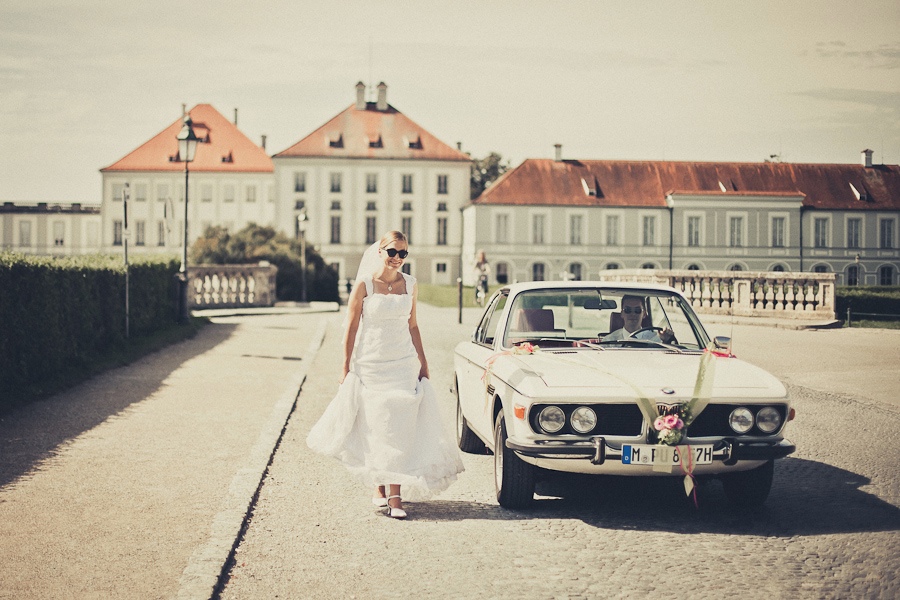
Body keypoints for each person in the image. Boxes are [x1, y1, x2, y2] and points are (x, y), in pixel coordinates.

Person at [306, 231, 463, 519]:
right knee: (376, 425)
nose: (397, 258)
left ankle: (395, 496)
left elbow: (413, 326)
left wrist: (423, 363)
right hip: (372, 363)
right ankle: (379, 486)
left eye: (403, 253)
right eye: (393, 251)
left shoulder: (411, 284)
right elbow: (351, 328)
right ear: (380, 251)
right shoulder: (365, 285)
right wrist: (345, 367)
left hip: (402, 363)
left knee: (399, 426)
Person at [602, 294, 674, 343]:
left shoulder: (656, 339)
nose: (632, 314)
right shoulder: (609, 341)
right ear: (622, 314)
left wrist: (666, 341)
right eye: (628, 310)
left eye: (637, 310)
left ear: (644, 314)